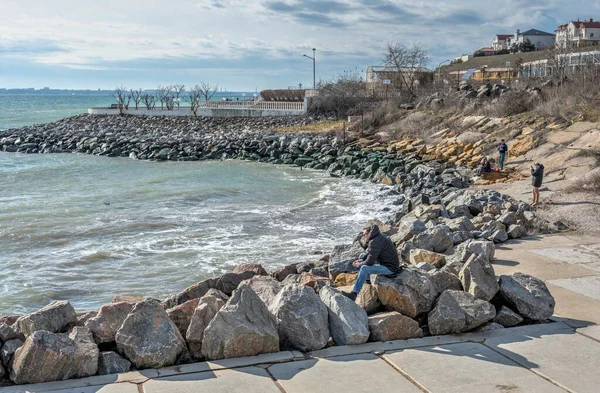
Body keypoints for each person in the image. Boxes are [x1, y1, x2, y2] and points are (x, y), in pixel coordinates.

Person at [343, 225, 400, 301]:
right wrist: (362, 260)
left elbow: (370, 262)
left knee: (364, 268)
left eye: (364, 234)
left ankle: (354, 294)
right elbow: (370, 252)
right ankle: (367, 279)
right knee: (362, 255)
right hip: (386, 263)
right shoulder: (377, 237)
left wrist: (359, 264)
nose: (364, 236)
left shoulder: (374, 241)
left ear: (370, 233)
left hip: (390, 268)